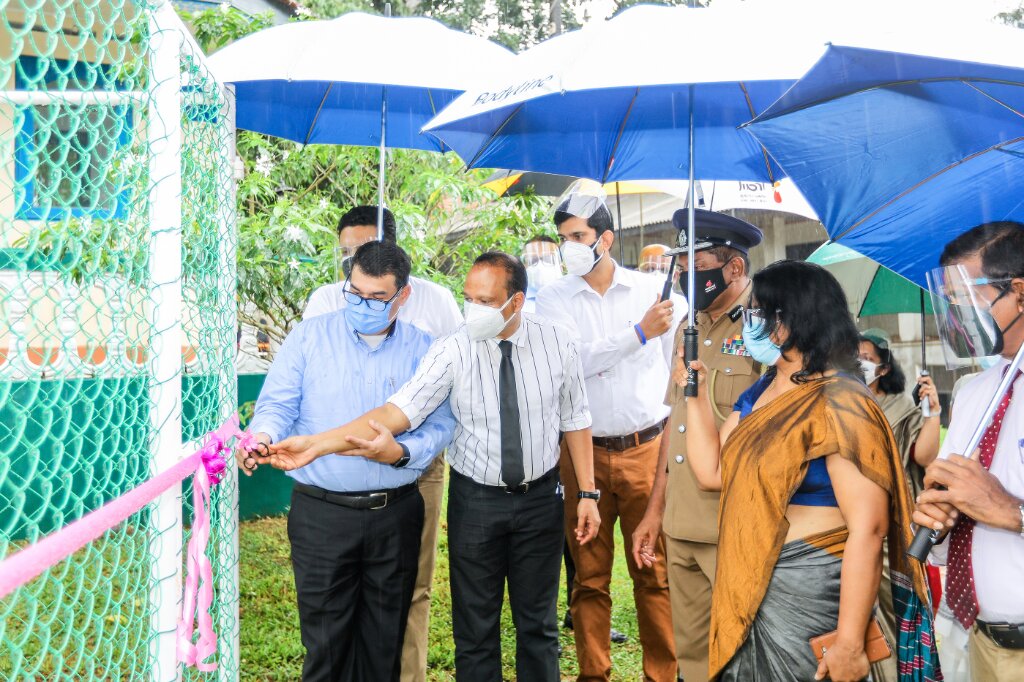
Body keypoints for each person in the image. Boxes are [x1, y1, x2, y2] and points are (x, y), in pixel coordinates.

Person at [262, 251, 601, 682]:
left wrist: (587, 492)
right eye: (468, 298)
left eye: (485, 300)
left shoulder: (558, 341)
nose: (472, 309)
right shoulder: (451, 348)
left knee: (539, 626)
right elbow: (396, 412)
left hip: (539, 500)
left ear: (515, 302)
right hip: (477, 500)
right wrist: (316, 444)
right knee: (474, 629)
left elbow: (576, 419)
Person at [684, 260, 940, 682]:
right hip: (749, 585)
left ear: (791, 319)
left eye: (757, 312)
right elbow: (712, 471)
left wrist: (850, 642)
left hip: (810, 587)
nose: (748, 323)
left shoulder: (841, 401)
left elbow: (869, 528)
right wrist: (692, 392)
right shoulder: (764, 388)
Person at [236, 241, 457, 682]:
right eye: (354, 293)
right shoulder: (309, 337)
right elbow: (277, 405)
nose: (363, 304)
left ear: (403, 296)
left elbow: (443, 423)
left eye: (377, 298)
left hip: (395, 512)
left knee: (383, 644)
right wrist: (262, 436)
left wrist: (402, 452)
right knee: (325, 646)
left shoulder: (426, 349)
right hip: (322, 513)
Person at [303, 204, 461, 682]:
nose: (355, 257)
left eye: (365, 246)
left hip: (414, 465)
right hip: (337, 469)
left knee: (409, 586)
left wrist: (410, 446)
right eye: (347, 251)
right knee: (338, 592)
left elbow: (456, 379)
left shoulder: (435, 303)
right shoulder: (324, 301)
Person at [537, 192, 683, 681]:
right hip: (584, 455)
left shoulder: (654, 292)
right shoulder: (555, 297)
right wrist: (637, 335)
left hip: (648, 448)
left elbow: (672, 375)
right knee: (588, 577)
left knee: (653, 571)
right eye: (563, 239)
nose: (569, 248)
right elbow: (568, 365)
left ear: (605, 239)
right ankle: (593, 674)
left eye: (577, 237)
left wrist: (650, 331)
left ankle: (661, 674)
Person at [630, 209, 763, 682]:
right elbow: (677, 425)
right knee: (693, 659)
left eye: (697, 264)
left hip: (735, 523)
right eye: (681, 267)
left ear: (734, 268)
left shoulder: (765, 330)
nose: (687, 276)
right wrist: (653, 513)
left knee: (744, 654)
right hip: (683, 521)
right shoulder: (690, 329)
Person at [913, 221, 1024, 681]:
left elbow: (996, 505)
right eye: (952, 304)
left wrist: (1011, 510)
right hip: (973, 638)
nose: (957, 319)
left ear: (1018, 292)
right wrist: (937, 521)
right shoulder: (976, 390)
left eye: (968, 302)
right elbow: (959, 509)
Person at [859, 328, 942, 498]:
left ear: (884, 369)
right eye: (854, 357)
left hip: (889, 502)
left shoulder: (901, 409)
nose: (858, 364)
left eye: (866, 359)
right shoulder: (838, 403)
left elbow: (924, 458)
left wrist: (932, 414)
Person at [522, 234, 563, 313]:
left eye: (548, 259)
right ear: (524, 266)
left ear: (561, 266)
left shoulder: (575, 298)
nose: (540, 265)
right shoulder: (515, 305)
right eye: (533, 260)